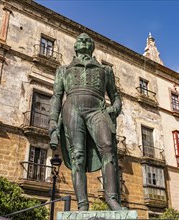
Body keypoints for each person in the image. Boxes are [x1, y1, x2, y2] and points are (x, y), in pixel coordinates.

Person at [49, 33, 123, 211]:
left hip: (97, 109)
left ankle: (112, 200)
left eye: (88, 40)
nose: (83, 41)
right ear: (75, 46)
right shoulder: (63, 70)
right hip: (72, 109)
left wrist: (114, 108)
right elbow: (57, 96)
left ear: (93, 46)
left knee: (108, 148)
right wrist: (52, 121)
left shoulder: (105, 71)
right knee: (78, 156)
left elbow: (116, 97)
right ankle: (82, 204)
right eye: (80, 39)